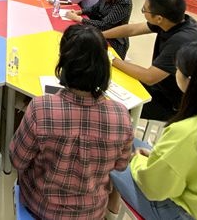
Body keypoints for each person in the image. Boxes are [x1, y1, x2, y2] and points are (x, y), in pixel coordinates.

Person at [109, 42, 197, 220]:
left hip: (176, 212)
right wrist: (156, 158)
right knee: (131, 143)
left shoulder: (187, 131)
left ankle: (106, 211)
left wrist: (137, 160)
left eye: (178, 69)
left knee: (107, 153)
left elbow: (153, 188)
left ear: (190, 81)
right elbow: (192, 164)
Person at [10, 25, 133, 220]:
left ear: (64, 63)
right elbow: (120, 166)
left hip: (41, 207)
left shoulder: (41, 108)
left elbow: (17, 160)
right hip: (91, 212)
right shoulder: (121, 116)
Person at [103, 0, 197, 121]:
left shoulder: (181, 41)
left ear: (159, 18)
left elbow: (149, 77)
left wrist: (111, 58)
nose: (143, 12)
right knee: (113, 80)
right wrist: (100, 35)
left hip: (173, 102)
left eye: (144, 10)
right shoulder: (174, 20)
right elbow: (133, 29)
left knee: (109, 104)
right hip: (161, 85)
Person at [66, 0, 132, 58]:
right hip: (100, 31)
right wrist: (79, 12)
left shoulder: (123, 1)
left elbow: (105, 25)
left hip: (113, 40)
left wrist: (79, 18)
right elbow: (95, 8)